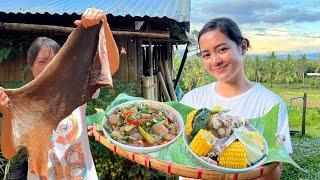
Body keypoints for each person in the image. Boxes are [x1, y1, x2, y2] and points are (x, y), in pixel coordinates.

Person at [0, 8, 119, 179]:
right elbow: (9, 151)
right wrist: (5, 112)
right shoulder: (23, 103)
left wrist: (104, 25)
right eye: (42, 61)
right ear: (31, 66)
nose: (48, 66)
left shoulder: (73, 90)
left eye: (54, 61)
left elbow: (111, 66)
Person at [180, 17, 292, 179]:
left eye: (222, 49)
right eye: (206, 55)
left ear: (243, 46)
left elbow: (272, 175)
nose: (215, 61)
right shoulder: (192, 99)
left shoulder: (270, 104)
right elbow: (183, 165)